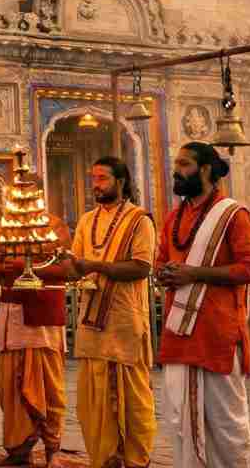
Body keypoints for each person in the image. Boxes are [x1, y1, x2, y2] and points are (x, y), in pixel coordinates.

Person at [156, 142, 250, 468]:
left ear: (204, 170)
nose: (177, 171)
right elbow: (161, 261)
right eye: (176, 164)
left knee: (227, 427)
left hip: (217, 334)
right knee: (179, 423)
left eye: (184, 164)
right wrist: (164, 273)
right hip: (179, 334)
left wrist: (195, 273)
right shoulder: (174, 217)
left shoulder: (232, 215)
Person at [64, 157, 158, 468]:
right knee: (94, 401)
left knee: (132, 399)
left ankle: (134, 460)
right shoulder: (87, 220)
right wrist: (62, 265)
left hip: (124, 321)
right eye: (93, 178)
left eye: (102, 178)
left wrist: (96, 266)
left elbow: (142, 267)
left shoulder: (140, 220)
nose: (96, 184)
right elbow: (75, 264)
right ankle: (104, 459)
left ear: (120, 181)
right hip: (91, 320)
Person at [0, 175, 72, 467]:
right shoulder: (5, 228)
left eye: (29, 191)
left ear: (39, 195)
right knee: (8, 385)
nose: (22, 196)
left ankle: (52, 451)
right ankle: (18, 451)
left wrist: (23, 266)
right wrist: (12, 267)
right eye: (18, 191)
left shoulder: (54, 226)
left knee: (49, 387)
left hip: (44, 317)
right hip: (13, 314)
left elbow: (67, 268)